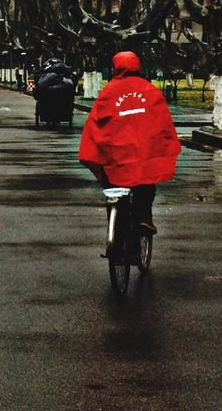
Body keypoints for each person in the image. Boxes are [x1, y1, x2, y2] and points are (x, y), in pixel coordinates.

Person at [77, 50, 180, 257]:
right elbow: (162, 123)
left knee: (113, 192)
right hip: (142, 155)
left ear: (116, 67)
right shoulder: (150, 91)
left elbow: (96, 123)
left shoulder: (108, 92)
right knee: (146, 185)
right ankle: (143, 218)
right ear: (137, 66)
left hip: (116, 157)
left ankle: (116, 235)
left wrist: (96, 148)